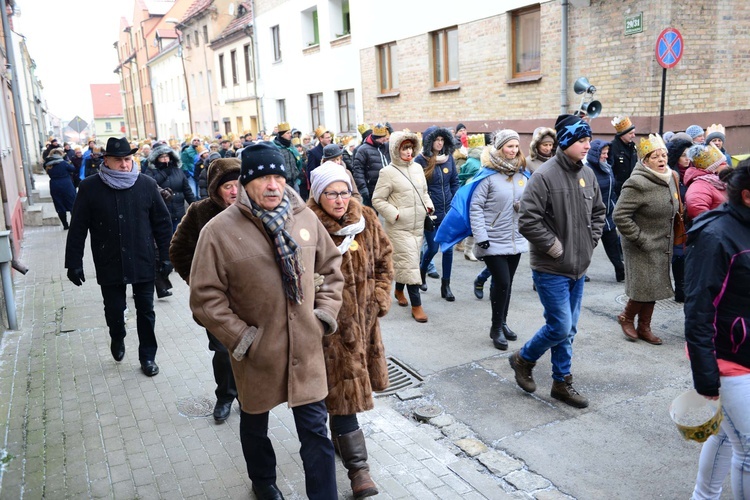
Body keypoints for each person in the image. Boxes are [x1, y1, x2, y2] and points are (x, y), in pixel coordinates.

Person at [189, 142, 344, 500]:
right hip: (258, 352)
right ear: (246, 183)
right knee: (255, 424)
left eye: (279, 176)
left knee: (316, 434)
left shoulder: (305, 218)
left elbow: (332, 271)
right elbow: (205, 298)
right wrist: (243, 339)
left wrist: (322, 317)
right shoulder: (218, 231)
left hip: (306, 349)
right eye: (263, 178)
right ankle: (263, 482)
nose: (273, 185)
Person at [307, 162, 393, 499]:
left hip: (364, 323)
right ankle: (359, 470)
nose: (340, 199)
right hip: (327, 330)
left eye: (344, 191)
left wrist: (379, 298)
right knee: (343, 400)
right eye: (331, 193)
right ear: (318, 194)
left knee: (343, 398)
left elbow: (386, 258)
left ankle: (343, 445)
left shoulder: (366, 219)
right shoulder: (306, 224)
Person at [510, 114, 605, 408]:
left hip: (578, 268)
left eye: (589, 140)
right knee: (561, 327)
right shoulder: (544, 176)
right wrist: (555, 249)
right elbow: (527, 220)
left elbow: (599, 213)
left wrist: (589, 244)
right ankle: (524, 358)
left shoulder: (587, 175)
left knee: (569, 329)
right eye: (581, 140)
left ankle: (561, 382)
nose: (587, 145)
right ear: (566, 142)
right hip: (551, 268)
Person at [64, 137, 172, 377]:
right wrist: (73, 263)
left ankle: (148, 356)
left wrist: (166, 256)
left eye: (127, 159)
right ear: (107, 161)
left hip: (142, 258)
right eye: (118, 160)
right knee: (114, 309)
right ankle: (117, 335)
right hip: (108, 258)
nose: (124, 165)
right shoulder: (90, 187)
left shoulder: (146, 184)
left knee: (146, 309)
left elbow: (162, 224)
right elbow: (78, 227)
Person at [685, 160, 750, 500]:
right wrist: (706, 376)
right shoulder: (715, 236)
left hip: (744, 350)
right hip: (726, 357)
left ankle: (703, 496)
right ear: (748, 196)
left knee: (726, 435)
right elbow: (698, 309)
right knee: (749, 448)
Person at [170, 157, 241, 422]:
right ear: (215, 189)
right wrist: (199, 282)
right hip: (216, 301)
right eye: (227, 186)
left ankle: (248, 397)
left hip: (251, 299)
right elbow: (178, 250)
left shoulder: (256, 210)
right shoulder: (200, 212)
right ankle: (225, 396)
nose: (234, 191)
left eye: (238, 184)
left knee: (248, 349)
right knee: (223, 351)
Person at [612, 134, 679, 346]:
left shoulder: (671, 177)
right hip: (640, 245)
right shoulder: (637, 183)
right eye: (655, 156)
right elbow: (619, 216)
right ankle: (627, 317)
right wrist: (640, 239)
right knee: (643, 286)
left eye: (664, 155)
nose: (661, 159)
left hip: (662, 243)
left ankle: (644, 327)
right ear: (645, 160)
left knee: (654, 286)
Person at [469, 130, 529, 350]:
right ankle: (495, 327)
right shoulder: (488, 175)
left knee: (507, 284)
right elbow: (475, 207)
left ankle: (503, 322)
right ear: (500, 147)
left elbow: (529, 201)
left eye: (516, 146)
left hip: (514, 237)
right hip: (492, 239)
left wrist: (522, 206)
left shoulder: (522, 174)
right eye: (509, 146)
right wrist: (481, 236)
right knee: (502, 281)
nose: (513, 151)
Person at [371, 131, 433, 323]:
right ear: (395, 150)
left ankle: (398, 290)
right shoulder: (387, 172)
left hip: (417, 226)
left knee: (408, 262)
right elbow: (377, 199)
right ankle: (417, 306)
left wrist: (428, 205)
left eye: (410, 147)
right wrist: (395, 214)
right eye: (404, 148)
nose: (408, 151)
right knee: (411, 265)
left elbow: (423, 192)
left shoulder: (417, 169)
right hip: (399, 228)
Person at [415, 126, 459, 301]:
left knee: (448, 249)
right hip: (430, 212)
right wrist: (425, 206)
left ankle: (445, 285)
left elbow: (454, 181)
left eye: (442, 140)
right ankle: (422, 272)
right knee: (432, 248)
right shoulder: (420, 161)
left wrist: (455, 200)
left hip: (448, 211)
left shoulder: (448, 159)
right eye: (436, 140)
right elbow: (418, 187)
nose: (439, 143)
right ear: (428, 141)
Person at [586, 139, 625, 282]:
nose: (606, 156)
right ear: (595, 154)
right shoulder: (587, 170)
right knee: (587, 247)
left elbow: (612, 191)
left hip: (608, 215)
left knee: (613, 245)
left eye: (607, 153)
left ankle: (621, 272)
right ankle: (579, 272)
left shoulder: (607, 168)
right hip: (592, 217)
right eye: (603, 153)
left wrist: (614, 207)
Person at [146, 144, 196, 233]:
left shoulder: (178, 170)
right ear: (156, 158)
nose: (165, 158)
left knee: (178, 239)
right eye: (162, 157)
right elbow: (150, 184)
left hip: (179, 212)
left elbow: (187, 190)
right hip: (162, 213)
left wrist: (195, 206)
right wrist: (164, 173)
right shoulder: (151, 171)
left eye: (167, 156)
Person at [666, 137, 693, 303]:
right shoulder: (671, 174)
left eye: (689, 155)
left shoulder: (693, 173)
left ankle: (685, 287)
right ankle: (680, 289)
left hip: (690, 222)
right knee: (678, 256)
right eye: (684, 155)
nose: (687, 158)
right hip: (675, 223)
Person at [685, 143, 729, 220]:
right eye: (723, 163)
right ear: (713, 168)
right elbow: (696, 208)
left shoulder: (720, 182)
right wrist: (717, 227)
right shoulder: (699, 187)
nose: (727, 165)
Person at [353, 124, 391, 207]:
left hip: (387, 187)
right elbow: (358, 171)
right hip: (371, 190)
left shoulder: (385, 147)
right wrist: (363, 188)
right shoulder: (362, 150)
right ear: (378, 137)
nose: (386, 139)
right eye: (384, 137)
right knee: (372, 216)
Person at [43, 148, 77, 229]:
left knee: (59, 204)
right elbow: (73, 169)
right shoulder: (64, 163)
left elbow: (45, 168)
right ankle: (74, 224)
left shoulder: (48, 164)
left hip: (54, 185)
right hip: (66, 184)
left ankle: (65, 225)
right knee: (72, 203)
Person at [609, 115, 637, 197]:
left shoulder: (633, 147)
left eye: (634, 133)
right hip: (619, 192)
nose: (633, 136)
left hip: (633, 189)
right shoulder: (612, 148)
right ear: (622, 134)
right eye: (631, 133)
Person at [271, 122, 303, 192]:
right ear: (281, 135)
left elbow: (298, 162)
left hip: (294, 182)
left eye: (290, 133)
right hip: (282, 183)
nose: (290, 135)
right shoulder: (275, 148)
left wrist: (298, 177)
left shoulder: (291, 146)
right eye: (287, 133)